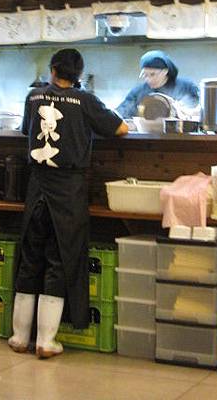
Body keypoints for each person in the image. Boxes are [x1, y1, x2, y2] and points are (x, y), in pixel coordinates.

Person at [9, 48, 128, 359]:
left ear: (52, 69)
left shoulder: (33, 96)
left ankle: (19, 337)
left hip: (37, 185)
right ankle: (46, 341)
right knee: (61, 258)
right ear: (78, 75)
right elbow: (121, 128)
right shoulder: (85, 99)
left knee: (30, 257)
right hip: (68, 187)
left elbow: (25, 129)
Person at [116, 49, 200, 119]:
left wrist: (184, 111)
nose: (148, 79)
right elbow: (121, 113)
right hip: (146, 133)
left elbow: (200, 111)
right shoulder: (138, 92)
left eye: (152, 74)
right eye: (145, 75)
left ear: (165, 71)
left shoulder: (186, 87)